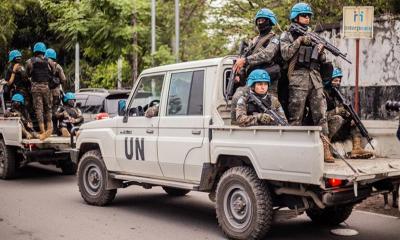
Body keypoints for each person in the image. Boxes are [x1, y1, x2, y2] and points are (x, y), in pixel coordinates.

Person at [280, 2, 334, 162]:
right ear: (295, 17)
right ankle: (294, 151)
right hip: (298, 78)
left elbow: (324, 60)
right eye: (304, 15)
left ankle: (326, 150)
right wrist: (300, 41)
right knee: (296, 116)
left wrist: (320, 50)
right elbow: (285, 54)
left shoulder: (313, 34)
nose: (307, 18)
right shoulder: (287, 35)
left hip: (315, 78)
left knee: (321, 116)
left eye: (309, 15)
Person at [324, 68, 373, 159]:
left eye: (339, 81)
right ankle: (325, 148)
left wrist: (349, 117)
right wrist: (337, 111)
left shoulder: (337, 95)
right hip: (325, 132)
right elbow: (320, 117)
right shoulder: (323, 94)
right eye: (335, 80)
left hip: (338, 131)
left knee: (354, 120)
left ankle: (357, 148)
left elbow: (344, 111)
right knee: (337, 118)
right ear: (329, 81)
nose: (338, 83)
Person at [233, 8, 281, 97]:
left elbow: (268, 54)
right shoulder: (254, 40)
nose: (259, 23)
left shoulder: (275, 38)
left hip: (267, 82)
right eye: (258, 20)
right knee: (238, 98)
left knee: (270, 107)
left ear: (270, 21)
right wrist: (239, 73)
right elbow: (246, 58)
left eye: (262, 20)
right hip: (253, 81)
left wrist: (245, 60)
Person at [26, 42, 53, 140]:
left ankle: (42, 130)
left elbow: (27, 74)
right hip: (46, 87)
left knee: (39, 109)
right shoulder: (49, 60)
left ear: (35, 51)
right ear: (43, 50)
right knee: (48, 108)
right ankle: (49, 128)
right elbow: (52, 71)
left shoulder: (30, 61)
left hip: (35, 88)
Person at [45, 48, 66, 132]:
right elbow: (64, 80)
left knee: (46, 110)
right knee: (55, 110)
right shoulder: (58, 66)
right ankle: (55, 129)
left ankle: (47, 128)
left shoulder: (42, 65)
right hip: (56, 92)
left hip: (45, 92)